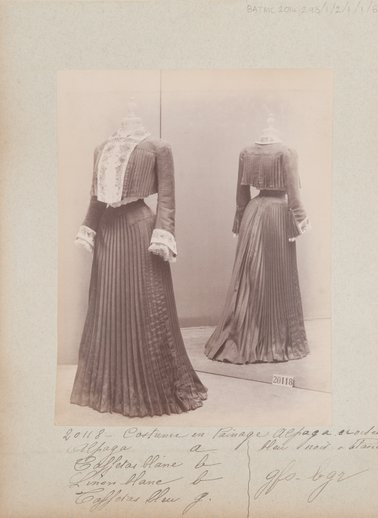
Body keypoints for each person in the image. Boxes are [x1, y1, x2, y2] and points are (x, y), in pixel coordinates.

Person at [71, 101, 207, 417]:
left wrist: (163, 233)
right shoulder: (101, 148)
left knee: (146, 305)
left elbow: (167, 198)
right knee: (108, 304)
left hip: (139, 229)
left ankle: (150, 384)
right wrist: (88, 229)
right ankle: (111, 387)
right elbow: (96, 197)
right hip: (108, 231)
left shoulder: (158, 147)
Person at [205, 117, 310, 364]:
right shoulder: (287, 152)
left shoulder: (246, 152)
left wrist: (239, 222)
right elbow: (294, 194)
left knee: (251, 274)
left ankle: (246, 333)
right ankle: (273, 338)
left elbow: (241, 194)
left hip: (252, 213)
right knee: (277, 275)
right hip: (277, 214)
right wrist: (300, 219)